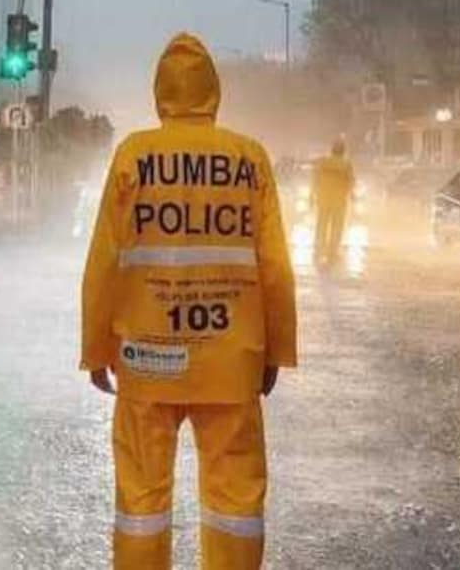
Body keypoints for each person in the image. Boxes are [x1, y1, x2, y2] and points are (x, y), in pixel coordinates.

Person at [81, 33, 297, 570]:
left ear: (160, 93)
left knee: (141, 501)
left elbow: (105, 259)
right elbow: (274, 266)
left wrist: (96, 348)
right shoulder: (249, 159)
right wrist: (274, 351)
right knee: (235, 500)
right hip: (230, 359)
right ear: (213, 92)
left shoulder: (135, 155)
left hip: (147, 359)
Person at [311, 138, 355, 264]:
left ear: (332, 149)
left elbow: (315, 179)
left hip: (323, 199)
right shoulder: (346, 165)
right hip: (339, 201)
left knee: (321, 226)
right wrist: (353, 197)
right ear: (343, 151)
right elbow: (351, 182)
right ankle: (332, 251)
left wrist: (312, 196)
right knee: (337, 227)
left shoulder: (323, 162)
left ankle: (319, 249)